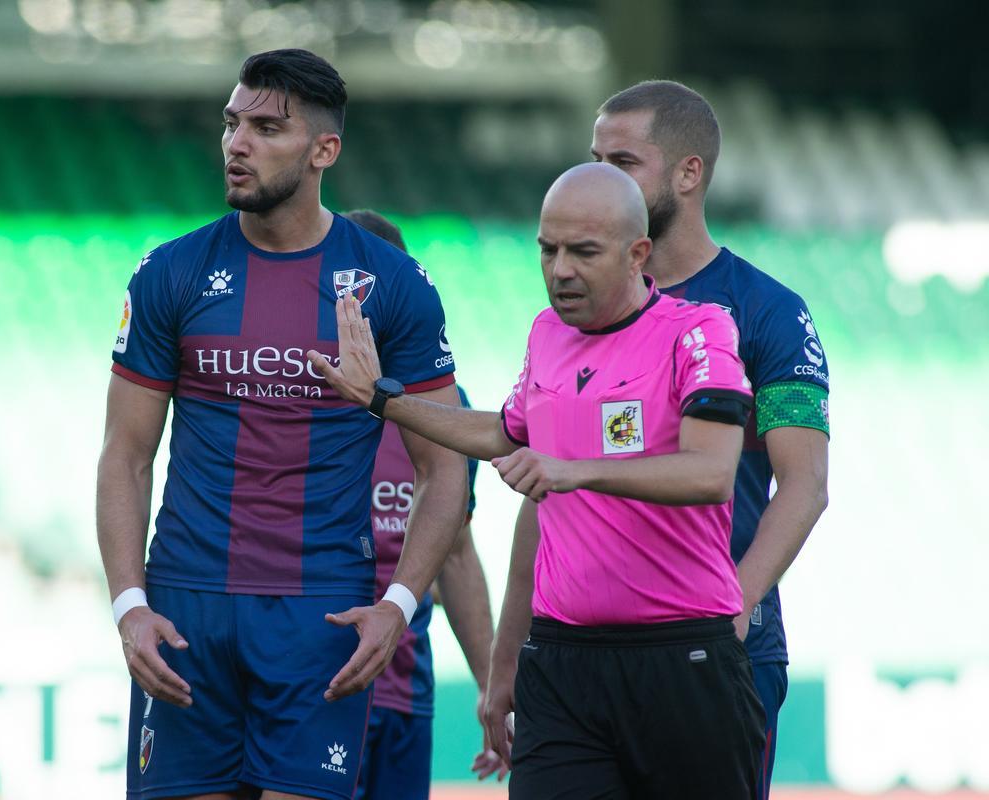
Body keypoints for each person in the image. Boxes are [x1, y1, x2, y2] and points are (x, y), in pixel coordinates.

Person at [310, 162, 767, 799]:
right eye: (547, 251)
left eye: (583, 252)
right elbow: (504, 430)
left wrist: (570, 469)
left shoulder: (698, 330)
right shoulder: (547, 332)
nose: (560, 270)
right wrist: (382, 399)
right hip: (561, 662)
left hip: (682, 656)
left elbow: (714, 473)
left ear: (638, 254)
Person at [96, 49, 470, 800]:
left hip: (319, 612)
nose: (237, 143)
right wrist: (130, 606)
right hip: (186, 609)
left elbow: (445, 469)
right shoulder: (169, 273)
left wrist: (398, 606)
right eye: (232, 123)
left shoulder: (392, 284)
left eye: (267, 128)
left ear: (324, 150)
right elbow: (124, 456)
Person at [481, 80, 831, 797]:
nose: (601, 175)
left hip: (715, 651)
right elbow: (543, 491)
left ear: (688, 173)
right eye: (594, 157)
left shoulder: (766, 311)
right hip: (578, 656)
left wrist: (730, 612)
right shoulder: (576, 310)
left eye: (623, 160)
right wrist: (507, 654)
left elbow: (805, 484)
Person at [341, 209, 495, 800]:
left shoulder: (445, 408)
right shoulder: (291, 398)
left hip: (406, 693)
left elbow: (455, 553)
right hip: (312, 687)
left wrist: (490, 688)